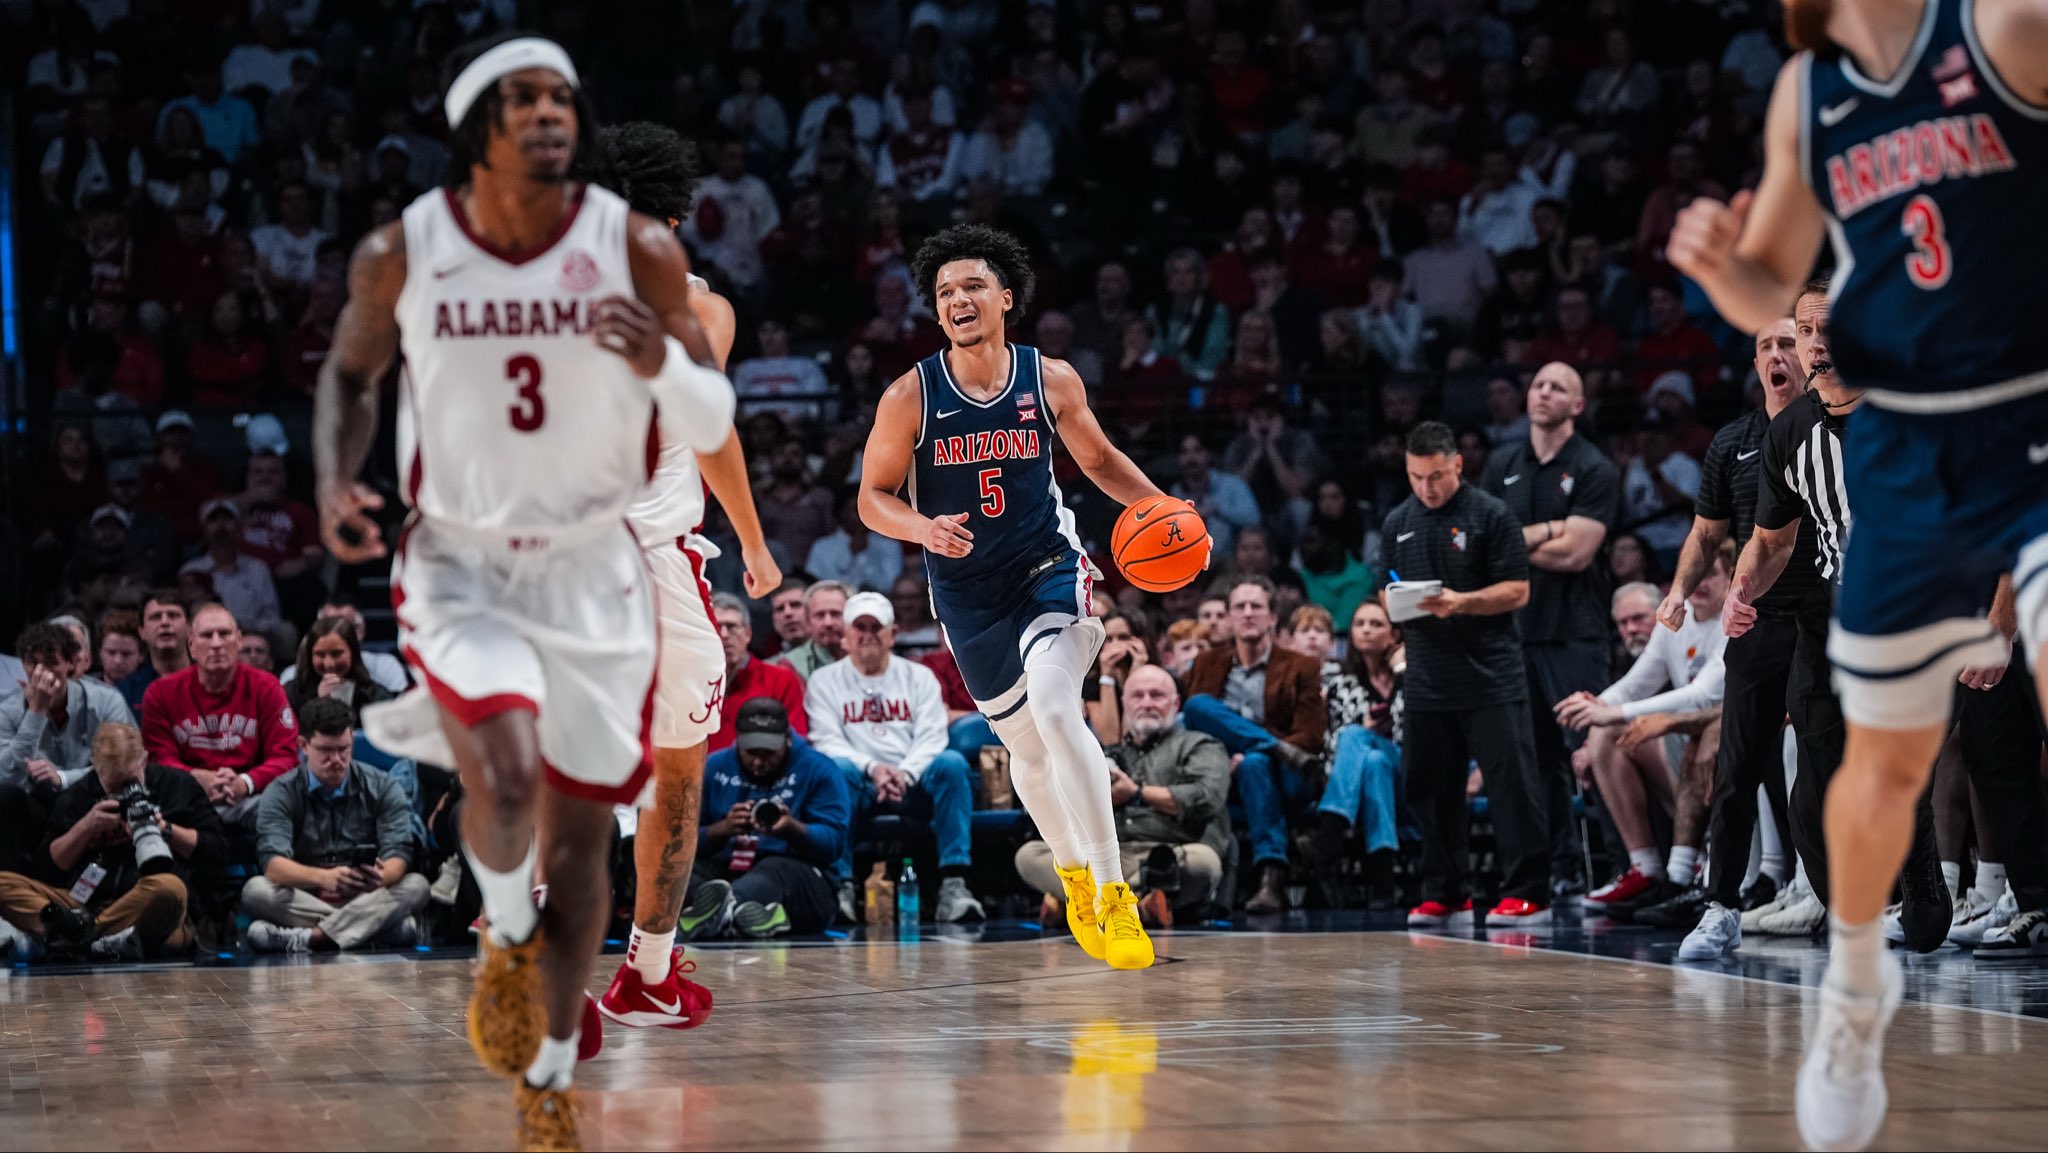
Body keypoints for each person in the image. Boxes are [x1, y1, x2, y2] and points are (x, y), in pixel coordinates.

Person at [312, 33, 740, 1145]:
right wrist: (334, 478)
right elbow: (354, 375)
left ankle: (557, 1040)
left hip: (601, 560)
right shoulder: (415, 253)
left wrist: (654, 365)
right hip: (510, 554)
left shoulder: (630, 260)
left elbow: (705, 415)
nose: (549, 117)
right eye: (523, 101)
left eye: (562, 100)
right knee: (548, 773)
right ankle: (543, 947)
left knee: (577, 810)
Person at [1670, 2, 2048, 1142]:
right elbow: (1763, 290)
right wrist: (1721, 271)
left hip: (2026, 425)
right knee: (1877, 768)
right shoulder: (1808, 90)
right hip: (1904, 448)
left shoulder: (2009, 30)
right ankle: (1851, 992)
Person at [857, 223, 1177, 970]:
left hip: (1047, 567)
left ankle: (1112, 888)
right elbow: (872, 498)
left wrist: (1165, 512)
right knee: (1028, 750)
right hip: (967, 594)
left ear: (1006, 297)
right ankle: (1074, 876)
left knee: (1061, 708)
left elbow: (1097, 458)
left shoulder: (1050, 378)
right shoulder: (911, 394)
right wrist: (921, 527)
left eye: (972, 286)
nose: (958, 299)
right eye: (944, 293)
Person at [598, 119, 782, 1037]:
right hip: (653, 554)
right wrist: (753, 539)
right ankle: (642, 972)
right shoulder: (702, 308)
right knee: (674, 775)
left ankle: (606, 968)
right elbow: (711, 429)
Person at [1661, 317, 1816, 959]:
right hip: (1753, 619)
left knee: (1826, 759)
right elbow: (1705, 533)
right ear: (1755, 364)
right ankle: (1721, 906)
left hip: (1827, 617)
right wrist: (1676, 591)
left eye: (1790, 343)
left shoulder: (1838, 427)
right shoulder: (1734, 441)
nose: (1778, 355)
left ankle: (1839, 893)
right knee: (1738, 767)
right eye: (1766, 347)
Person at [1380, 421, 1545, 927]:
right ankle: (1445, 891)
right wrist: (1393, 604)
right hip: (1428, 678)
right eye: (1416, 477)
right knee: (1429, 788)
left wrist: (1461, 602)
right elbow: (1384, 591)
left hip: (1491, 675)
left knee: (1510, 786)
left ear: (1457, 464)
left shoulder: (1491, 514)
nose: (1427, 487)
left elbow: (1518, 590)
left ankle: (1527, 891)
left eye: (1435, 476)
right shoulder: (1397, 522)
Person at [1480, 361, 1620, 903]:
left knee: (1590, 750)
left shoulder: (1593, 467)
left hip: (1574, 633)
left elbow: (1579, 552)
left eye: (1557, 386)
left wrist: (1521, 539)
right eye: (1537, 384)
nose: (1543, 392)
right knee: (1535, 763)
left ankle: (1625, 868)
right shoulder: (1503, 463)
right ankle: (1558, 870)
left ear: (1577, 405)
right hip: (1514, 634)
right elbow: (1490, 546)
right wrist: (1547, 531)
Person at [1557, 540, 1734, 920]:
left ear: (1731, 575)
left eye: (1711, 573)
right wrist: (1593, 710)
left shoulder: (1735, 616)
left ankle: (1701, 863)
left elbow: (1703, 695)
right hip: (1689, 738)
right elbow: (1635, 684)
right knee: (1606, 732)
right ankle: (1645, 868)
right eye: (1692, 574)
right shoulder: (1677, 616)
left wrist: (1612, 711)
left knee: (1696, 732)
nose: (1700, 582)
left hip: (1726, 734)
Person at [803, 592, 983, 922]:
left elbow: (933, 735)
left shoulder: (919, 677)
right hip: (859, 780)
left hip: (914, 781)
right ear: (846, 635)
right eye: (861, 627)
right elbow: (826, 741)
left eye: (877, 627)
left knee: (952, 764)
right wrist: (874, 769)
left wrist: (905, 774)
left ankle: (954, 886)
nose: (869, 634)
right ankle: (841, 886)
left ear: (893, 634)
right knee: (835, 770)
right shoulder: (823, 681)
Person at [1015, 665, 1230, 927]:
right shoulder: (1105, 752)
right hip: (1104, 856)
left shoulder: (1200, 745)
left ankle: (1083, 902)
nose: (1147, 703)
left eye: (1157, 695)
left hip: (1167, 852)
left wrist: (1136, 793)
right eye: (1138, 696)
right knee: (1028, 856)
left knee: (1204, 862)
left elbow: (1206, 798)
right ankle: (1140, 905)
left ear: (1176, 703)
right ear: (1124, 703)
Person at [0, 723, 225, 962]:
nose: (121, 793)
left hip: (148, 908)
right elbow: (45, 869)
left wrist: (165, 829)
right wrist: (86, 827)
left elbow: (217, 852)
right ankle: (92, 936)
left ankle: (78, 936)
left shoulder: (177, 786)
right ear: (95, 766)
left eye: (128, 781)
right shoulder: (79, 795)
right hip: (84, 902)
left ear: (144, 760)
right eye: (113, 787)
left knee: (170, 888)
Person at [1180, 577, 1327, 913]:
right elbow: (1194, 725)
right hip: (1225, 770)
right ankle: (1272, 746)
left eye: (1256, 607)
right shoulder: (1206, 663)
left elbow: (1310, 735)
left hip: (1288, 771)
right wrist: (1226, 757)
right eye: (1240, 607)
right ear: (1229, 617)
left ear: (1273, 617)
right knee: (1196, 705)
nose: (1248, 614)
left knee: (1255, 764)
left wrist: (1249, 753)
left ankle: (1271, 878)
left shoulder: (1300, 665)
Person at [241, 698, 430, 953]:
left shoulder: (382, 785)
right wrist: (324, 877)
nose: (337, 760)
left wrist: (379, 877)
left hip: (366, 895)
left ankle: (314, 937)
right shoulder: (281, 791)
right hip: (308, 895)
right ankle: (374, 930)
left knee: (417, 885)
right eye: (326, 751)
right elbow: (274, 866)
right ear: (304, 746)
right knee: (256, 890)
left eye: (344, 749)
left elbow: (399, 855)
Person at [685, 699, 850, 938]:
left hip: (799, 876)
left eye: (769, 753)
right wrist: (721, 830)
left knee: (775, 869)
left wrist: (792, 829)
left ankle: (720, 910)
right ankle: (749, 916)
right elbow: (682, 841)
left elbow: (834, 844)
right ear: (737, 741)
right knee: (676, 872)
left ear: (788, 740)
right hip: (727, 867)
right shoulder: (714, 766)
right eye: (751, 752)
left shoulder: (819, 769)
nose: (759, 762)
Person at [140, 603, 300, 826]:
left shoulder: (267, 687)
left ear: (239, 640)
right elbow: (159, 760)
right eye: (207, 635)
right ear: (191, 645)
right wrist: (196, 778)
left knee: (286, 808)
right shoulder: (160, 693)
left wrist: (245, 782)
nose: (216, 644)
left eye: (224, 634)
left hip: (252, 799)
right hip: (185, 800)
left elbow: (285, 757)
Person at [1299, 601, 1404, 906]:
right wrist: (1370, 731)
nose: (1366, 630)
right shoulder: (1338, 680)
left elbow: (1417, 731)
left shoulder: (1410, 673)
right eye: (1359, 624)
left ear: (1394, 634)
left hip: (1409, 771)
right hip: (1363, 776)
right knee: (1372, 760)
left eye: (1376, 624)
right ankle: (1384, 878)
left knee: (1357, 736)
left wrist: (1401, 671)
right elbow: (1332, 742)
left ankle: (1329, 832)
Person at [2, 622, 137, 797]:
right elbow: (5, 777)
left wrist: (63, 778)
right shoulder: (7, 710)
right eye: (32, 663)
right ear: (23, 664)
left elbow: (126, 765)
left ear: (71, 663)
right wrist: (36, 712)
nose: (40, 672)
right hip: (36, 806)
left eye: (51, 663)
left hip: (95, 798)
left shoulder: (106, 700)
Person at [707, 594, 808, 754]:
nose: (724, 635)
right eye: (717, 627)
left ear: (747, 633)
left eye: (732, 626)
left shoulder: (781, 680)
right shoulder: (692, 684)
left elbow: (796, 742)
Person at [178, 498, 283, 636]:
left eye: (227, 519)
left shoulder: (258, 569)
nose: (221, 526)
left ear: (240, 528)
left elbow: (271, 616)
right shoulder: (191, 571)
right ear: (204, 529)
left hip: (251, 637)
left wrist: (246, 629)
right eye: (213, 520)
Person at [278, 602, 410, 695]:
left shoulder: (377, 688)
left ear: (360, 630)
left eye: (337, 653)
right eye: (327, 625)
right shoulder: (292, 684)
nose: (329, 664)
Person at [284, 615, 392, 720]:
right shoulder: (290, 696)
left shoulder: (377, 699)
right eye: (320, 654)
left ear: (353, 653)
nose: (329, 664)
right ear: (310, 655)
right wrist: (321, 705)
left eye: (336, 653)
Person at [115, 590, 191, 709]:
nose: (164, 622)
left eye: (173, 616)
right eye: (155, 617)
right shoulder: (125, 692)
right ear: (142, 632)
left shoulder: (212, 682)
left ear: (189, 628)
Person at [778, 580, 851, 680]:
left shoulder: (869, 654)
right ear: (807, 622)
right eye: (820, 615)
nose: (828, 623)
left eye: (835, 614)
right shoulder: (791, 666)